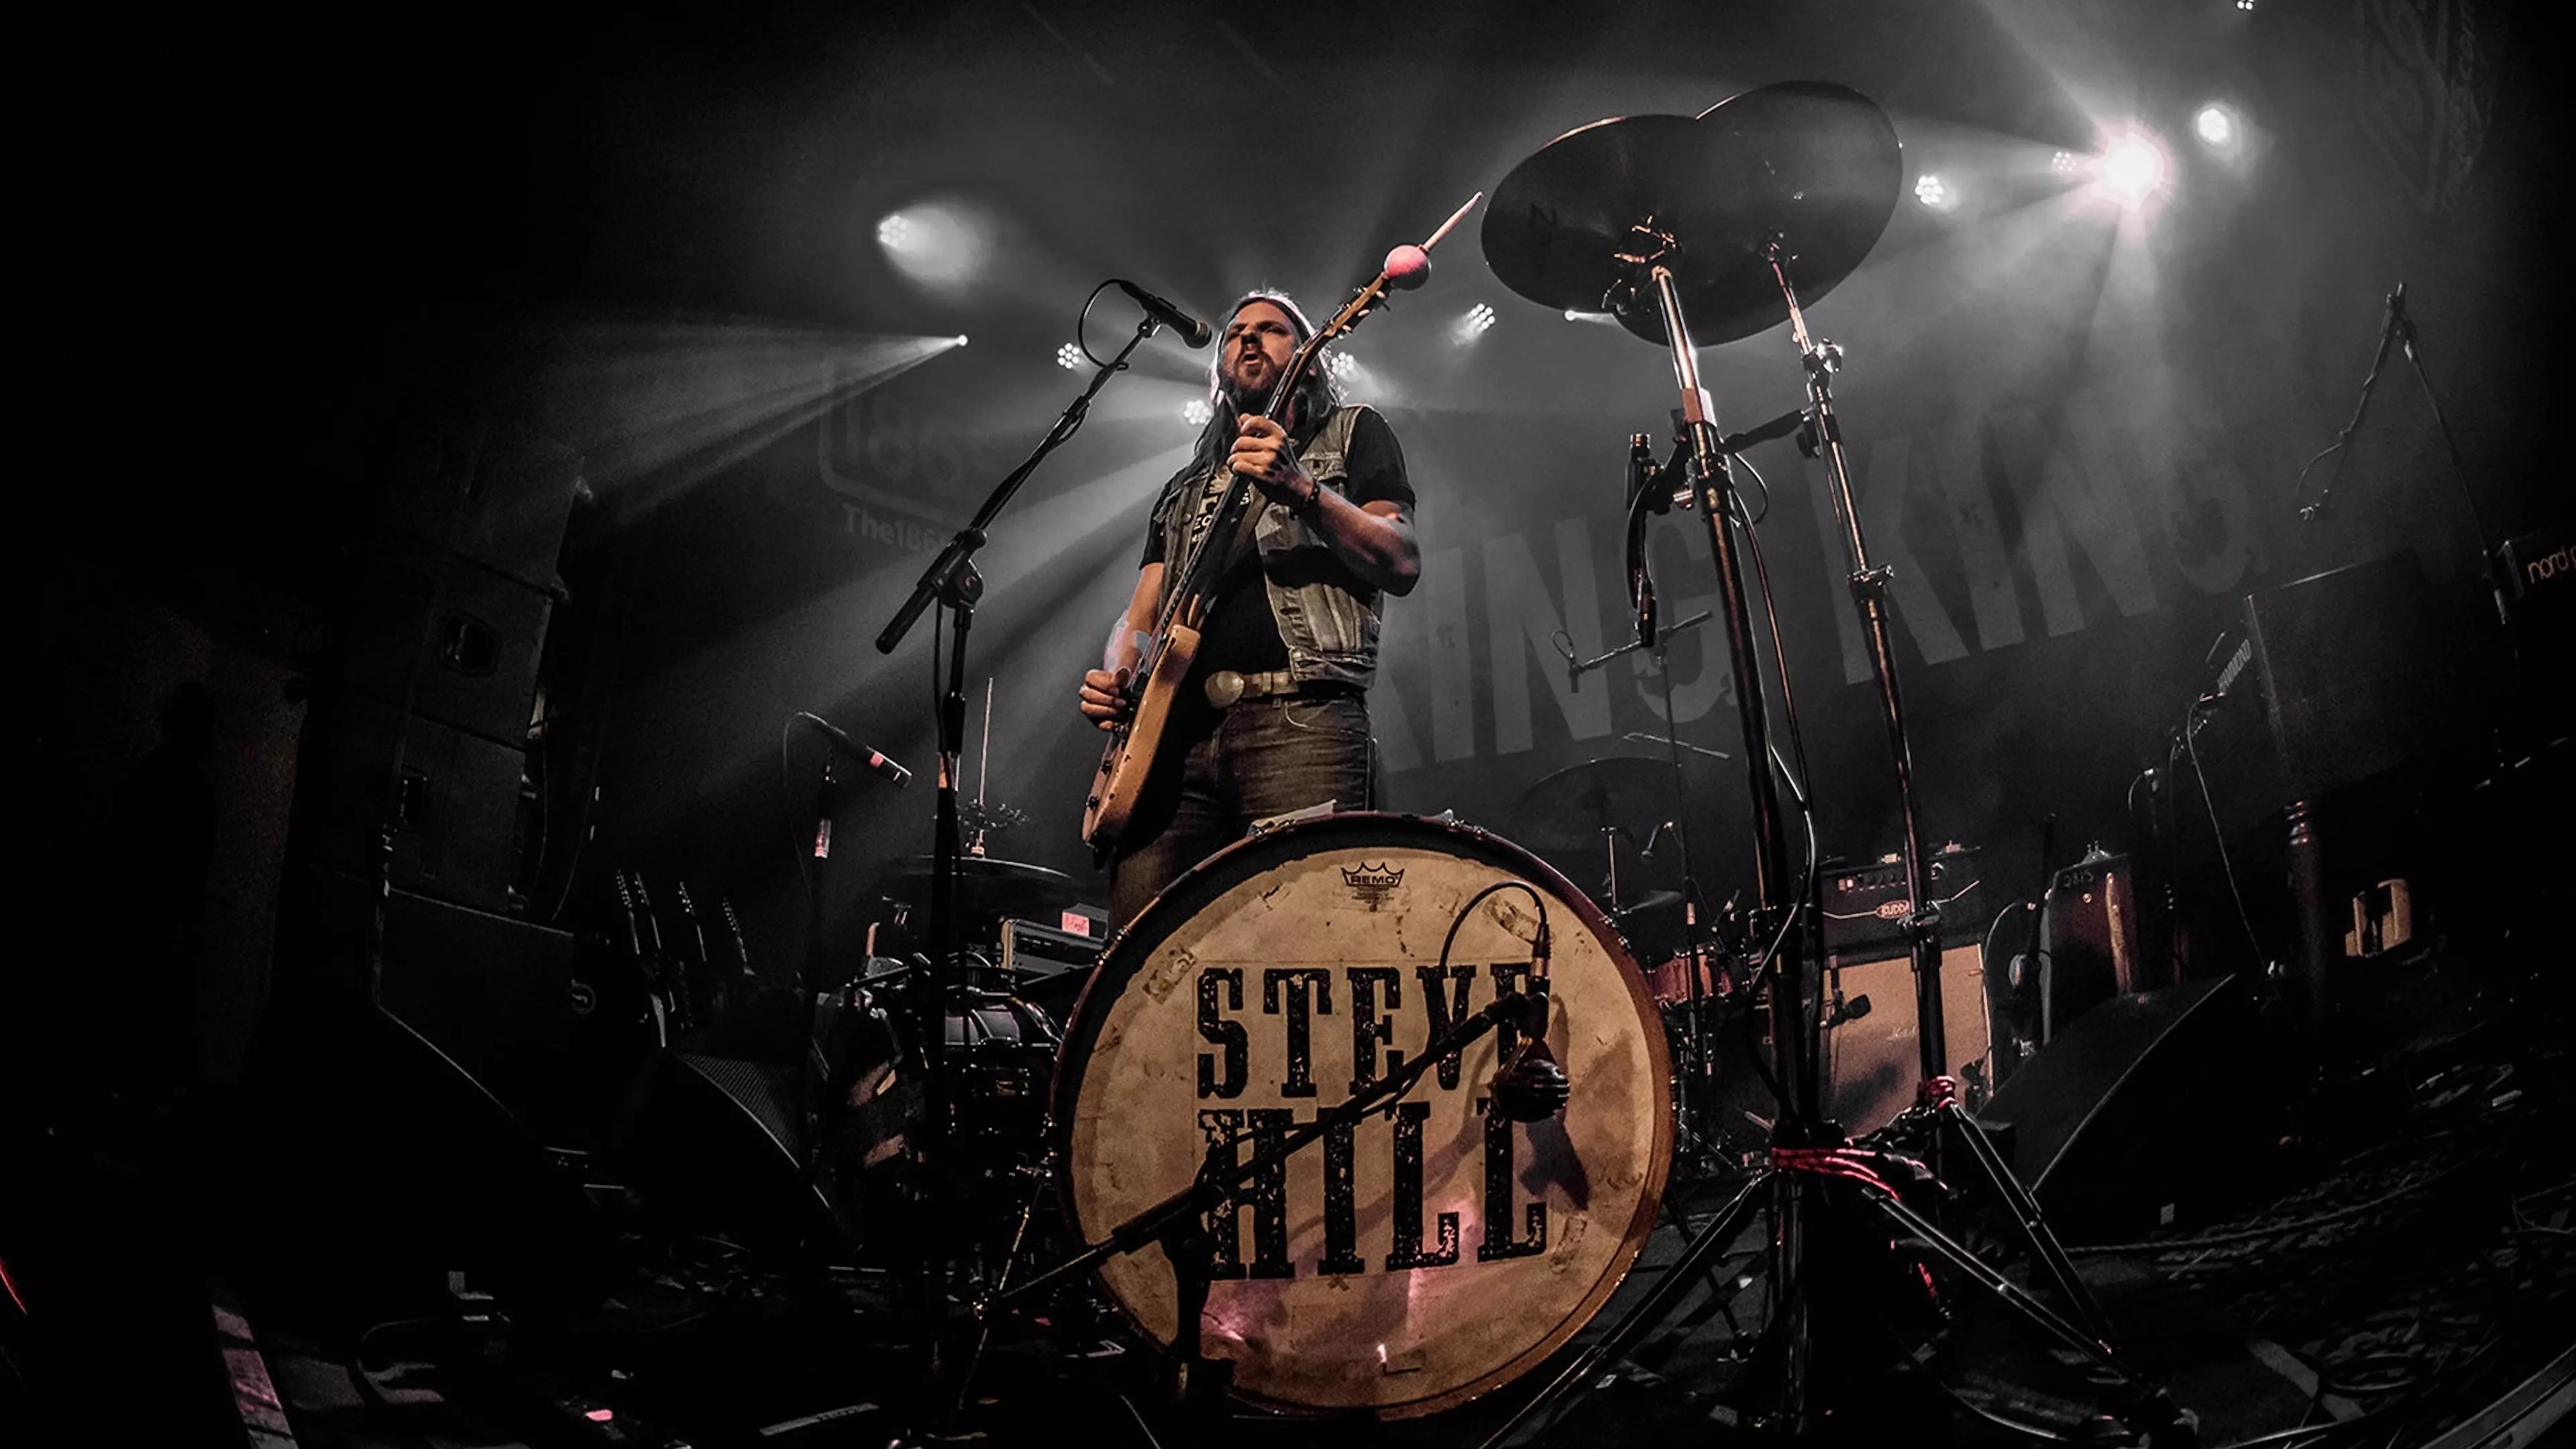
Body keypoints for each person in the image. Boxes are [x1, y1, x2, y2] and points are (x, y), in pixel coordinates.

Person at [1077, 291, 1419, 925]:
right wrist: (1120, 670)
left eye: (1272, 329)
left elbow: (1400, 559)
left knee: (1308, 937)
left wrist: (1303, 489)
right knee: (1145, 949)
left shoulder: (1353, 431)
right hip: (1172, 742)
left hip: (1301, 721)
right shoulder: (1183, 487)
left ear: (1310, 355)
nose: (1249, 339)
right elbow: (1139, 615)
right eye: (1236, 333)